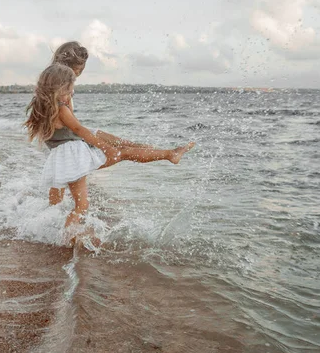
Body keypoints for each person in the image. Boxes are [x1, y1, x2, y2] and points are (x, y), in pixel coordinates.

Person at [25, 63, 195, 247]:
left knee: (123, 155)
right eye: (70, 89)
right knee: (82, 204)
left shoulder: (41, 106)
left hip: (62, 156)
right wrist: (106, 147)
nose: (72, 93)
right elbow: (80, 130)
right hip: (73, 156)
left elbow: (67, 132)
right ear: (61, 88)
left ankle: (61, 236)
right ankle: (66, 241)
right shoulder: (61, 109)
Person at [48, 41, 153, 206]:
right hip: (63, 135)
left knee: (101, 136)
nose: (77, 75)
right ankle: (53, 209)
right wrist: (100, 145)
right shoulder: (61, 87)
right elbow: (69, 121)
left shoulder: (54, 80)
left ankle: (134, 145)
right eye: (77, 70)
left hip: (62, 132)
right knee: (62, 176)